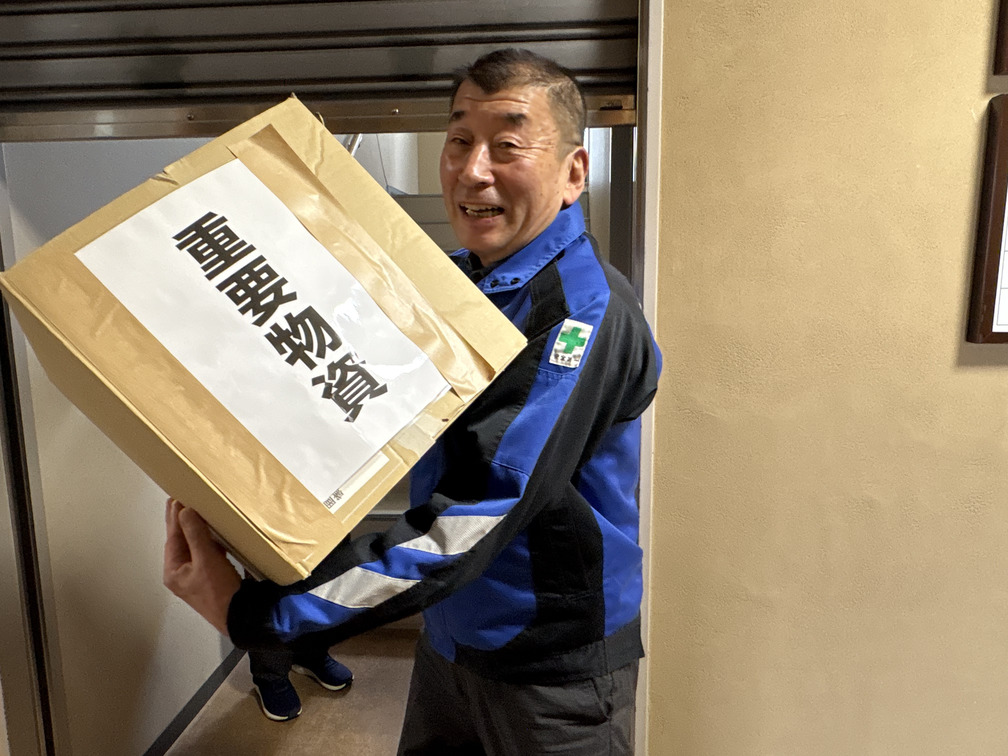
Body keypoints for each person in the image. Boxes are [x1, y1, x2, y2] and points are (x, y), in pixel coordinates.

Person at [164, 47, 661, 754]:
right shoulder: (456, 285)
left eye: (508, 146)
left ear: (574, 173)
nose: (473, 170)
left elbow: (477, 514)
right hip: (452, 633)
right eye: (459, 140)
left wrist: (265, 616)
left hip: (552, 668)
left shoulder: (583, 314)